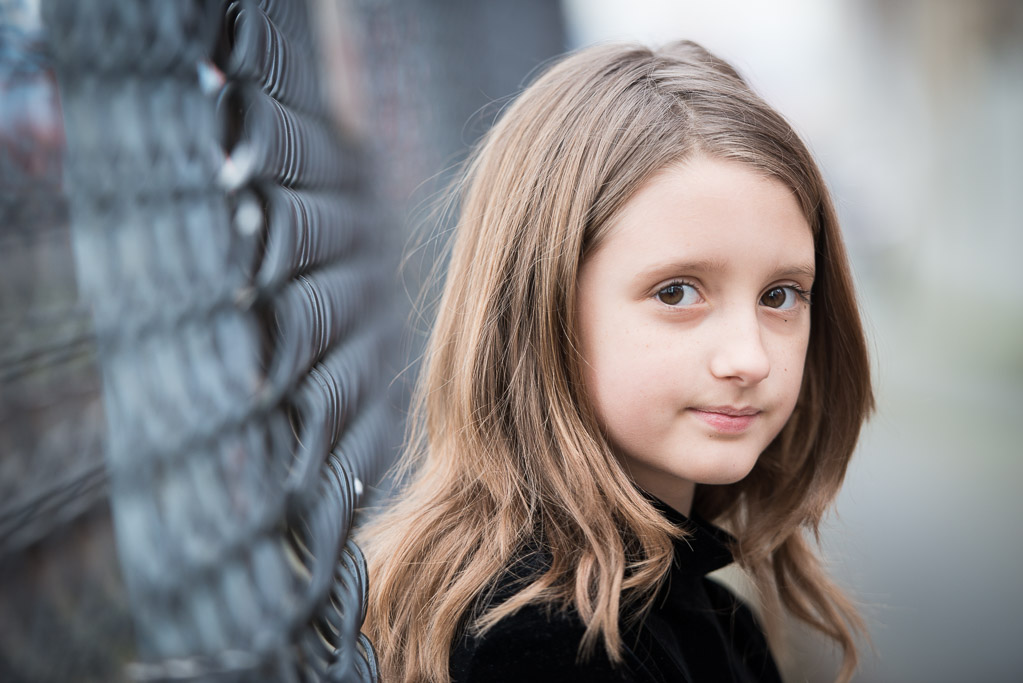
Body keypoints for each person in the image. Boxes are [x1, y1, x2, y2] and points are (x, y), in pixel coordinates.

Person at [360, 40, 873, 683]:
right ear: (540, 304)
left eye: (780, 296)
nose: (750, 359)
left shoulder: (694, 614)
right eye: (676, 293)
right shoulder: (542, 646)